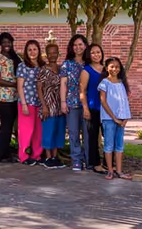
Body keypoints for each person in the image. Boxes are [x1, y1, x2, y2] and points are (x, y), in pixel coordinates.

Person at [98, 57, 133, 180]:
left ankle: (119, 170)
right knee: (108, 145)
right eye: (112, 66)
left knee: (119, 145)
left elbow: (124, 102)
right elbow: (103, 101)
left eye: (117, 66)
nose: (115, 69)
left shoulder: (121, 83)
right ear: (107, 68)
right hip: (109, 119)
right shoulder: (104, 83)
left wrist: (125, 118)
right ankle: (110, 171)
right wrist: (113, 118)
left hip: (121, 119)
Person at [0, 32, 21, 163]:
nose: (7, 44)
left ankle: (6, 152)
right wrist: (14, 84)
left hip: (14, 97)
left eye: (9, 42)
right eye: (4, 42)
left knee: (9, 126)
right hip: (2, 97)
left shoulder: (16, 57)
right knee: (6, 125)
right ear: (0, 44)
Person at [60, 34, 88, 172]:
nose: (78, 47)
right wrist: (63, 102)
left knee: (88, 133)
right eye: (75, 45)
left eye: (80, 44)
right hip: (72, 102)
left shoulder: (89, 63)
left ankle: (89, 160)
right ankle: (76, 160)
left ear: (85, 46)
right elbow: (63, 83)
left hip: (88, 104)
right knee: (73, 132)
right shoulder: (67, 64)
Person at [36, 43, 66, 169]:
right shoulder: (43, 70)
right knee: (48, 131)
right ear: (46, 55)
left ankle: (55, 157)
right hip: (48, 106)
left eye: (55, 52)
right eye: (50, 53)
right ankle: (48, 158)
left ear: (58, 53)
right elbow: (39, 89)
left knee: (58, 132)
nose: (52, 55)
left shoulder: (62, 69)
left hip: (60, 106)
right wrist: (44, 106)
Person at [79, 43, 107, 174]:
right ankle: (95, 164)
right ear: (89, 55)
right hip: (93, 108)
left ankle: (108, 163)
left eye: (98, 52)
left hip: (107, 110)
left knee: (108, 136)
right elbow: (82, 91)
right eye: (93, 53)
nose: (97, 55)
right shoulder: (86, 70)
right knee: (93, 137)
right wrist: (85, 108)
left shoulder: (107, 69)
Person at [16, 40, 45, 165]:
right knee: (26, 131)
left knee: (39, 131)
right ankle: (23, 156)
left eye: (34, 49)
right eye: (29, 50)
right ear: (26, 52)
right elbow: (20, 86)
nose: (32, 52)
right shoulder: (23, 66)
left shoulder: (42, 66)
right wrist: (23, 104)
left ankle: (36, 155)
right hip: (27, 102)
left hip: (40, 103)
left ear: (39, 50)